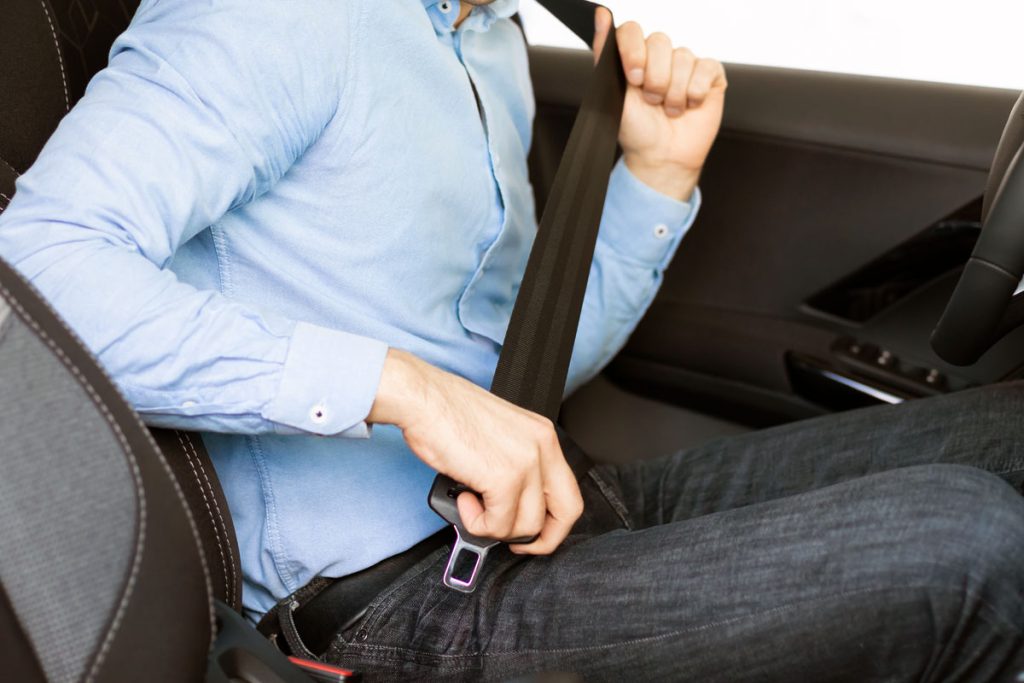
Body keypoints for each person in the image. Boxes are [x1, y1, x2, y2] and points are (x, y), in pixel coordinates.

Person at [1, 0, 1022, 680]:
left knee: (1008, 435)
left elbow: (513, 375)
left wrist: (654, 181)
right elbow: (37, 271)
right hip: (388, 599)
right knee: (973, 543)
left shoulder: (482, 41)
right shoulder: (277, 16)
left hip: (546, 506)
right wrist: (403, 388)